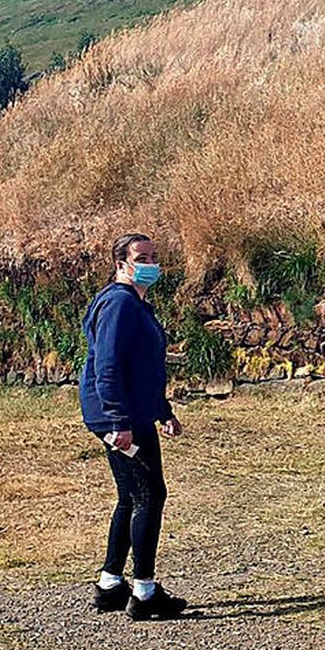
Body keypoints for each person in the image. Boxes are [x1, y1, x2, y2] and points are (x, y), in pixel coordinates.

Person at [79, 232, 188, 619]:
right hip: (120, 417)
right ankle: (144, 592)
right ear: (121, 263)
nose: (151, 263)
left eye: (155, 256)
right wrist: (119, 421)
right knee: (150, 496)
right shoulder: (119, 304)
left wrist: (163, 410)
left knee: (131, 497)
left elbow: (144, 368)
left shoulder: (138, 305)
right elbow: (107, 366)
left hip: (133, 413)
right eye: (142, 256)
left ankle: (110, 585)